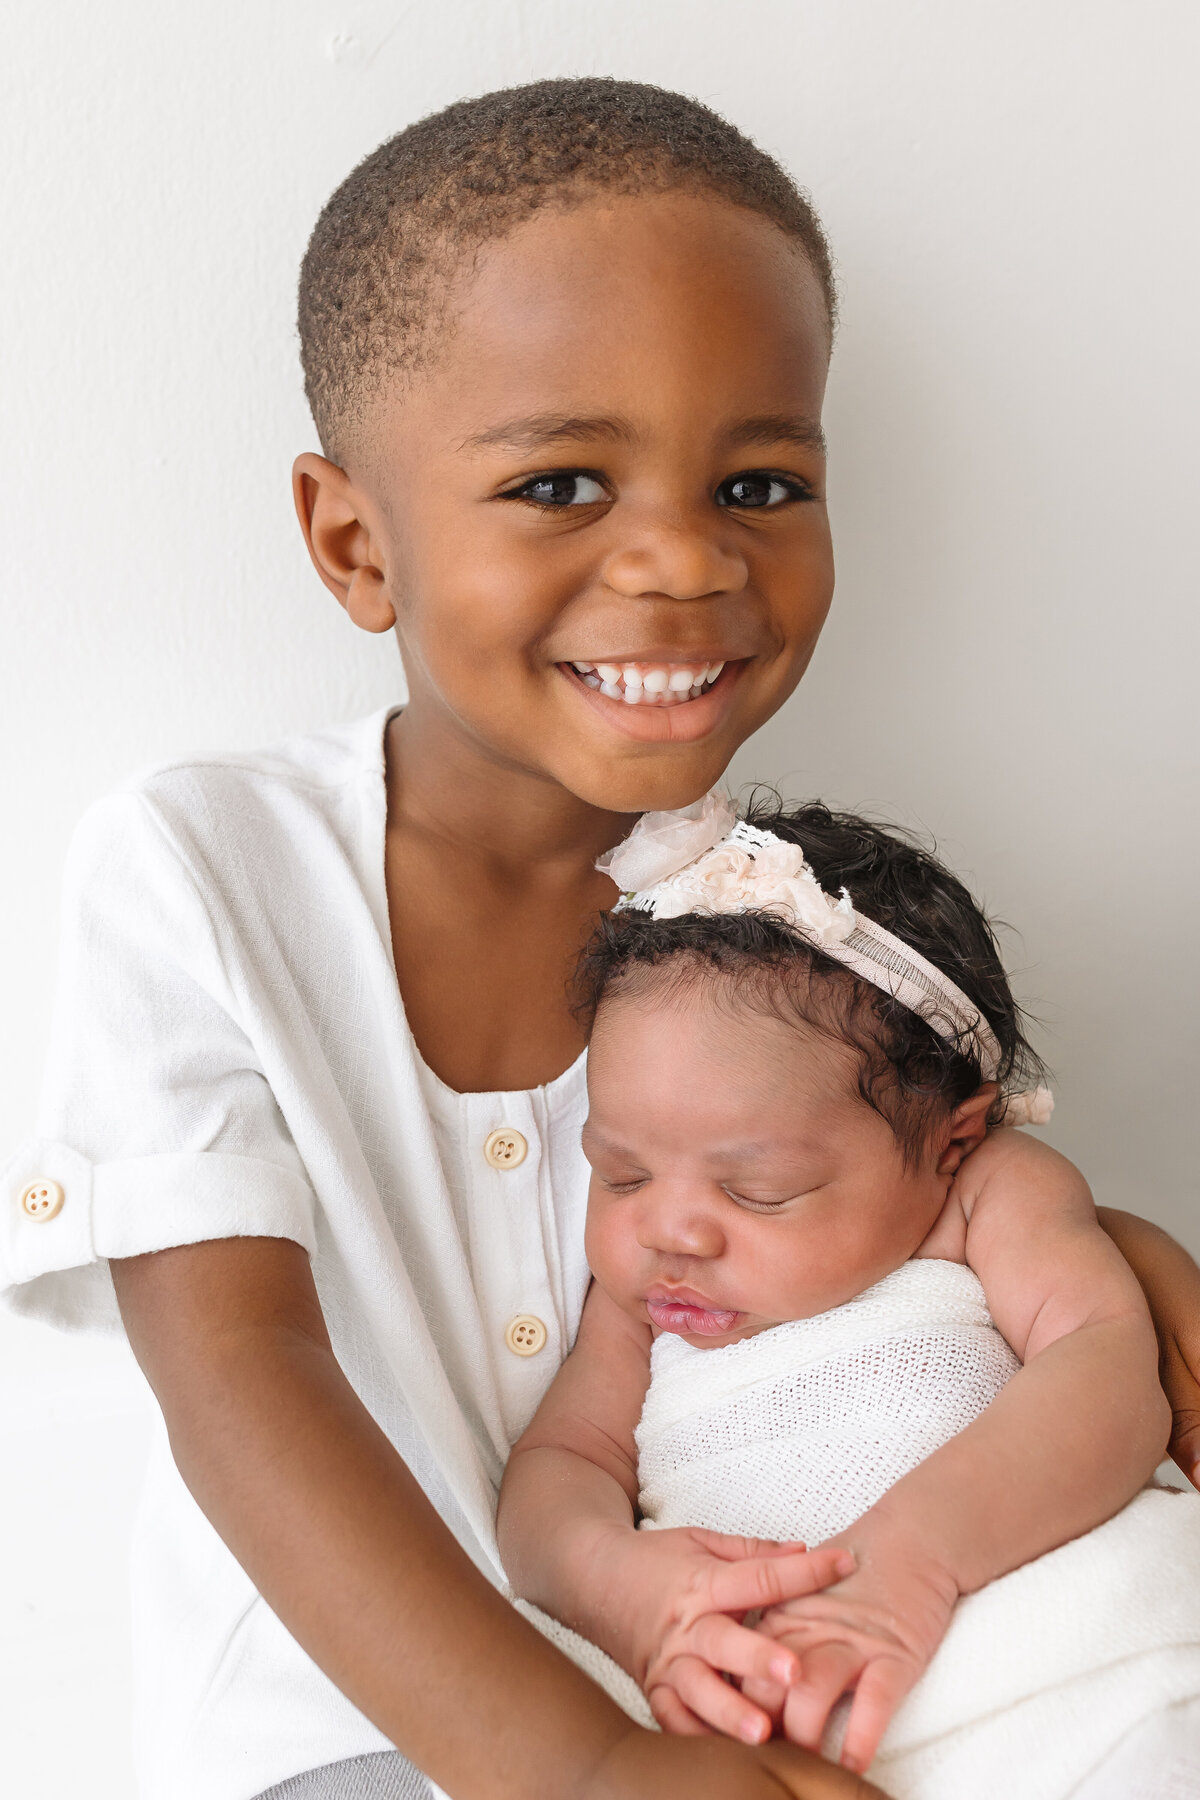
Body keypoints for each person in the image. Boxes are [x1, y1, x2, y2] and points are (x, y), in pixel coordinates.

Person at [1, 77, 1198, 1800]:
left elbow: (933, 1197)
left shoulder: (786, 913)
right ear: (357, 542)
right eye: (562, 481)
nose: (683, 562)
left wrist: (1116, 1263)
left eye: (762, 483)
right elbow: (239, 1374)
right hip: (372, 1738)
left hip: (777, 1683)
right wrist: (576, 1771)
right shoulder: (203, 866)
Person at [498, 796, 1200, 1797]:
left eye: (757, 1191)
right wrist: (617, 1585)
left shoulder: (984, 1201)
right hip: (778, 1723)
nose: (669, 1231)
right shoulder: (639, 1301)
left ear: (950, 1145)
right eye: (621, 1174)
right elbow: (558, 1467)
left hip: (1062, 1664)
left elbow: (1106, 1364)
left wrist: (917, 1556)